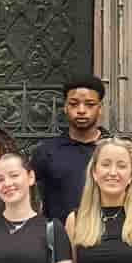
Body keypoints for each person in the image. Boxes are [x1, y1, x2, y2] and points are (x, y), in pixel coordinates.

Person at [32, 77, 106, 221]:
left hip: (107, 237)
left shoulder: (113, 150)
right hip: (60, 238)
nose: (81, 110)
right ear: (65, 107)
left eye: (90, 104)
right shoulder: (46, 152)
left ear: (100, 108)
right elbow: (32, 198)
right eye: (74, 104)